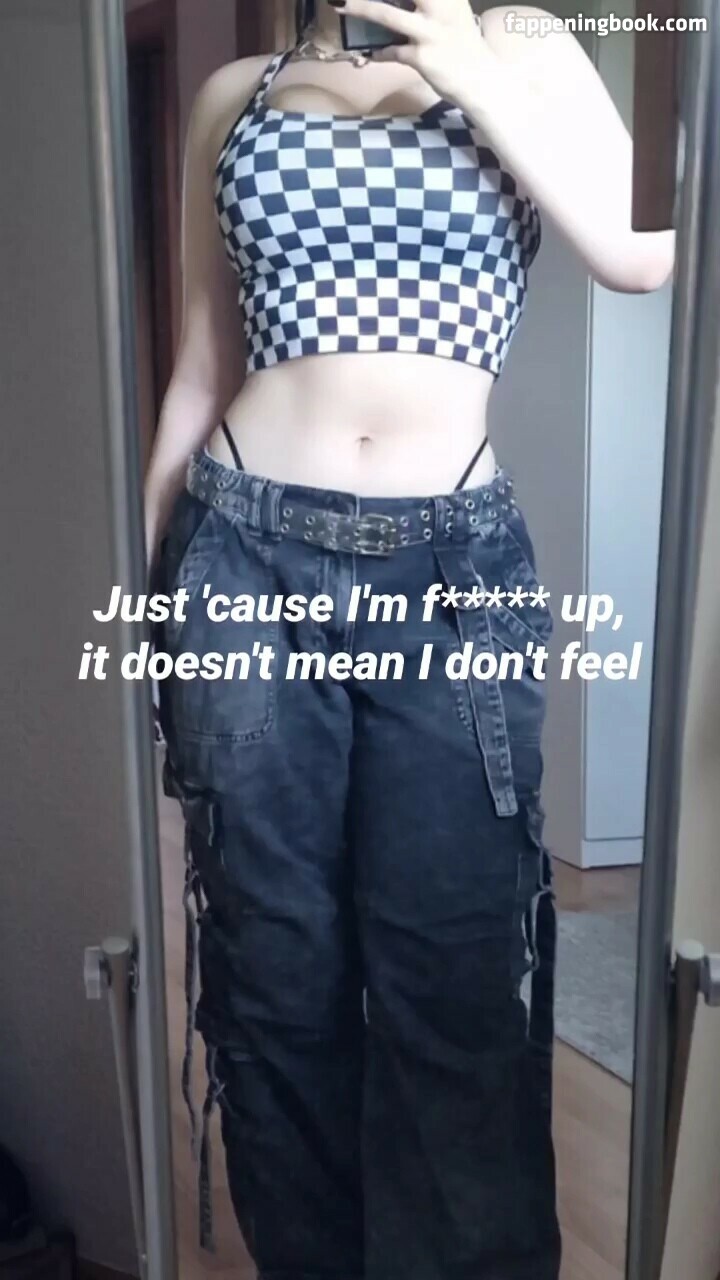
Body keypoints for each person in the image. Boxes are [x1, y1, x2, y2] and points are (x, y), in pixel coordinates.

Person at [146, 3, 674, 1277]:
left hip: (451, 571)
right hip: (240, 550)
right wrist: (150, 603)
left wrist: (471, 75)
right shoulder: (235, 92)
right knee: (273, 979)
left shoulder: (530, 47)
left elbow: (639, 254)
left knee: (458, 970)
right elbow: (202, 365)